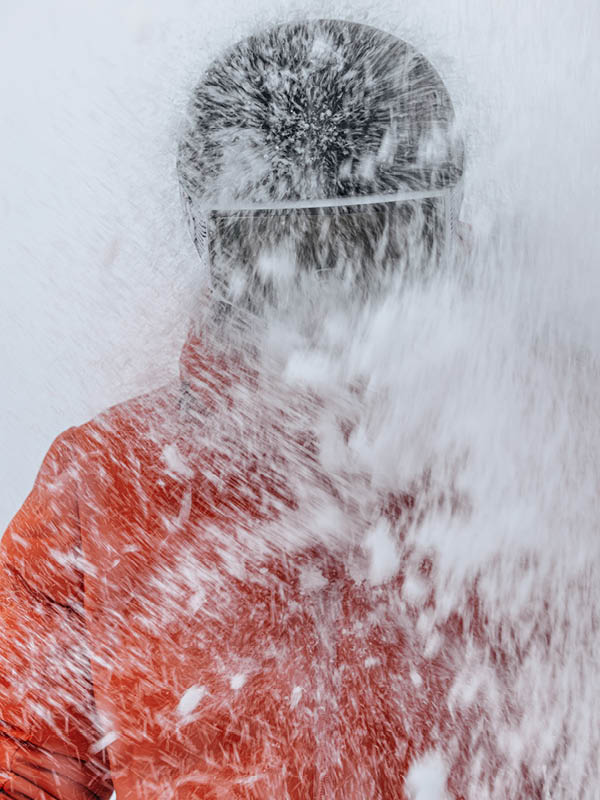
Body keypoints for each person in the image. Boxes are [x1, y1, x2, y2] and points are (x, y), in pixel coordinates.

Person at [0, 18, 538, 800]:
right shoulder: (103, 484)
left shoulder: (550, 463)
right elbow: (22, 769)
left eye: (365, 236)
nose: (330, 277)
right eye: (297, 241)